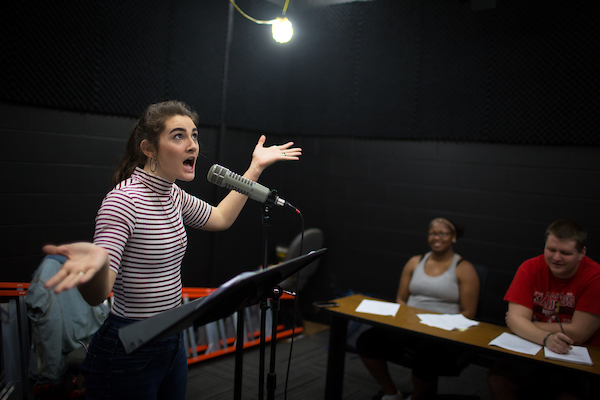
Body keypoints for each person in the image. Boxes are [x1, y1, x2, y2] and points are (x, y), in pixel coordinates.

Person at [41, 100, 302, 400]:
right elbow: (97, 295)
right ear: (149, 149)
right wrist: (96, 266)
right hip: (131, 347)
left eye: (194, 135)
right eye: (178, 136)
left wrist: (255, 168)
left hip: (172, 339)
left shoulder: (173, 194)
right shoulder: (123, 202)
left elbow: (220, 217)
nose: (192, 145)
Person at [356, 218, 480, 400]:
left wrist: (444, 325)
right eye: (432, 233)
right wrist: (404, 320)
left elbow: (469, 312)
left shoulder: (464, 268)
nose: (436, 237)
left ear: (453, 237)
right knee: (367, 339)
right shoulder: (415, 262)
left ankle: (416, 397)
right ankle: (392, 394)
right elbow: (401, 299)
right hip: (411, 326)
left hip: (443, 333)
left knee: (426, 353)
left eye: (443, 233)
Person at [488, 219, 600, 400]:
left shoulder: (595, 277)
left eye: (565, 253)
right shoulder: (530, 267)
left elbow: (579, 334)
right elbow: (515, 321)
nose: (556, 258)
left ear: (581, 253)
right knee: (498, 379)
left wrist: (526, 324)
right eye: (551, 250)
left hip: (576, 354)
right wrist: (546, 338)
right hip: (534, 346)